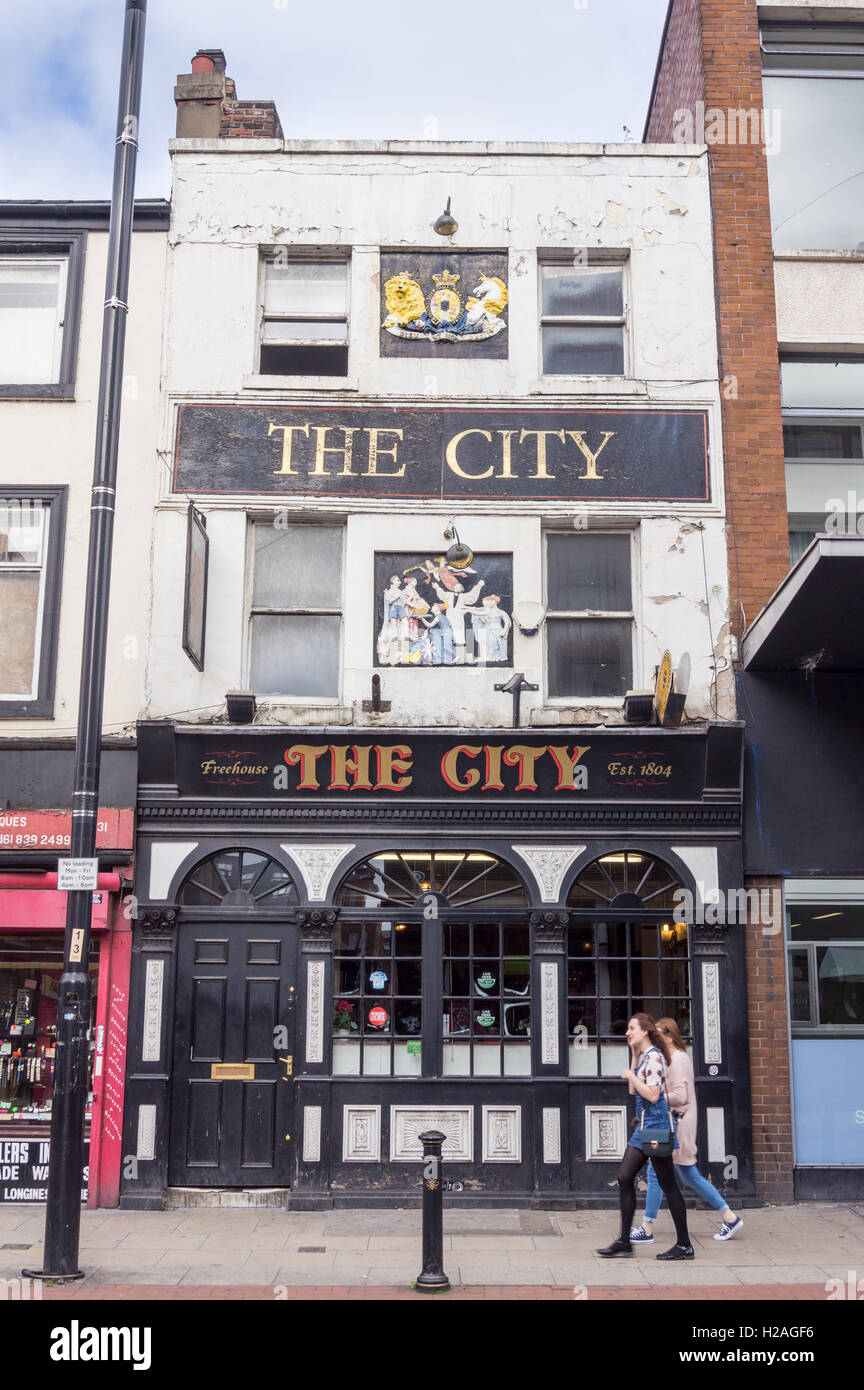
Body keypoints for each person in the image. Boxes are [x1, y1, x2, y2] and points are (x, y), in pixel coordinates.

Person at [630, 1017, 743, 1244]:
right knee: (688, 1174)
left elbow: (681, 1097)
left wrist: (655, 1097)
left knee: (656, 1173)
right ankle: (729, 1217)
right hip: (676, 1121)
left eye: (659, 1034)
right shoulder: (669, 1058)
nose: (655, 1038)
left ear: (670, 1036)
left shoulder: (678, 1059)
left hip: (677, 1122)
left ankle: (646, 1227)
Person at [597, 1013, 694, 1260]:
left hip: (656, 1127)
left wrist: (631, 1075)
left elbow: (652, 1095)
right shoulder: (645, 1058)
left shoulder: (655, 1058)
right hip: (645, 1127)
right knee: (624, 1176)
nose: (627, 1032)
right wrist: (633, 1058)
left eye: (632, 1028)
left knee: (668, 1184)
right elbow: (633, 1091)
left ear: (645, 1031)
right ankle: (625, 1241)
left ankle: (684, 1245)